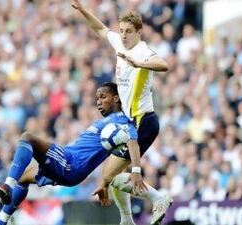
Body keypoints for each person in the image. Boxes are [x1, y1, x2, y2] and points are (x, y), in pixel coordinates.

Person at [0, 82, 147, 225]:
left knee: (27, 138)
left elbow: (133, 143)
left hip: (71, 163)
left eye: (103, 97)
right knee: (22, 177)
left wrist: (136, 171)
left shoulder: (124, 122)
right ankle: (0, 222)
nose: (98, 102)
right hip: (69, 162)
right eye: (97, 99)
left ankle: (7, 187)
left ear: (116, 98)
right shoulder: (104, 121)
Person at [71, 1, 172, 224]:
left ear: (138, 32)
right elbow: (100, 29)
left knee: (108, 176)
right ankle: (126, 220)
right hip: (129, 122)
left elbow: (164, 64)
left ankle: (158, 199)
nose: (124, 35)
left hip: (143, 120)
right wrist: (83, 10)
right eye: (122, 31)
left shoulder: (142, 51)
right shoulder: (119, 43)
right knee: (112, 176)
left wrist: (139, 63)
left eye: (129, 32)